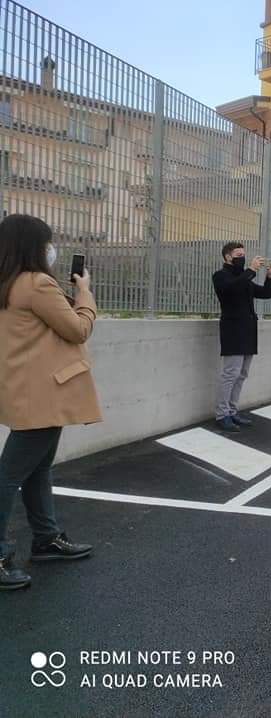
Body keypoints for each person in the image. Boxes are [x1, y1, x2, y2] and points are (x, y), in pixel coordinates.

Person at [0, 215, 99, 591]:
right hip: (43, 393)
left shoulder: (7, 283)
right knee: (9, 475)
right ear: (33, 246)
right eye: (46, 243)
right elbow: (78, 329)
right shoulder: (38, 283)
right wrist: (85, 293)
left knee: (37, 469)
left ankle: (46, 538)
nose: (50, 249)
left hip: (22, 389)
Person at [212, 242, 271, 433]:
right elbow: (231, 289)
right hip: (233, 330)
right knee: (230, 374)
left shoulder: (244, 278)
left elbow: (265, 293)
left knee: (241, 374)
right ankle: (222, 414)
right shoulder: (221, 276)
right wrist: (251, 270)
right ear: (227, 257)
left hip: (248, 331)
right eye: (238, 255)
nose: (242, 257)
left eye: (243, 254)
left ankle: (232, 411)